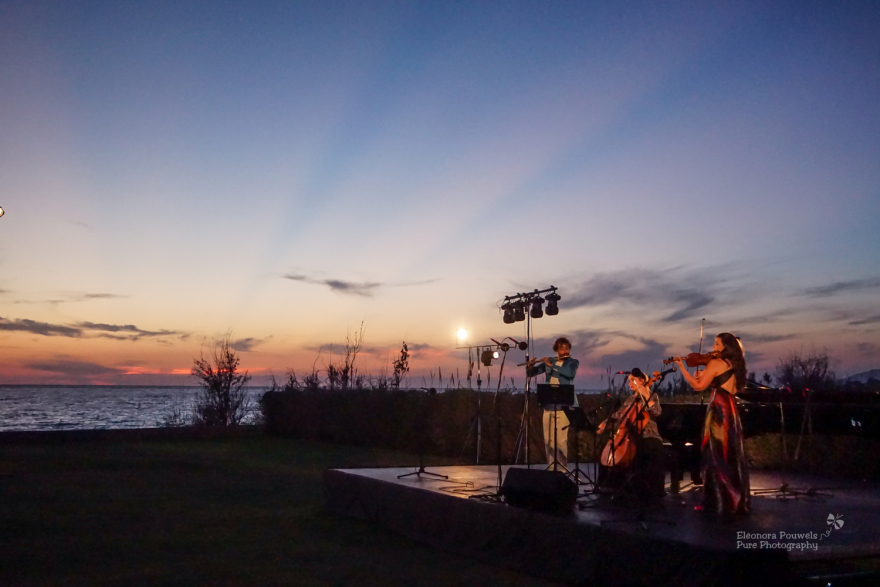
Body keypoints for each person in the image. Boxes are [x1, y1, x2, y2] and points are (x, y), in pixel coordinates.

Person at [672, 333, 750, 515]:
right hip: (731, 409)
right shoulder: (734, 365)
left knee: (715, 455)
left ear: (726, 346)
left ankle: (719, 502)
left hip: (718, 411)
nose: (713, 347)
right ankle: (735, 499)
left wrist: (682, 368)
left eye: (717, 344)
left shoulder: (715, 363)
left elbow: (697, 387)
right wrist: (707, 378)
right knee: (730, 454)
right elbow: (725, 385)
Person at [596, 369, 665, 499]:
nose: (630, 383)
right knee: (608, 449)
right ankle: (607, 486)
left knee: (651, 448)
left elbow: (657, 411)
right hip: (629, 434)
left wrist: (645, 395)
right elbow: (619, 414)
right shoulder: (630, 399)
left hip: (648, 435)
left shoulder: (652, 395)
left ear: (642, 381)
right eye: (629, 381)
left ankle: (650, 491)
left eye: (633, 380)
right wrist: (605, 423)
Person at [526, 337, 579, 468]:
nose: (565, 351)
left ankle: (561, 470)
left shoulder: (572, 362)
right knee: (548, 439)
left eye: (567, 348)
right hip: (548, 403)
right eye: (562, 348)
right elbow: (531, 373)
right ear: (556, 350)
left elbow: (569, 374)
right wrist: (530, 365)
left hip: (564, 405)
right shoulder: (550, 361)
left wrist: (552, 365)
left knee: (561, 440)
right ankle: (551, 468)